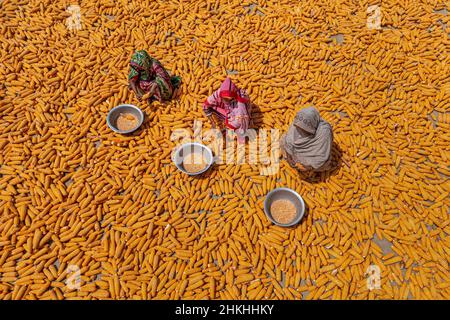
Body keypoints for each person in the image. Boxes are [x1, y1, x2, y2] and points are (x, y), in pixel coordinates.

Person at [280, 106, 333, 172]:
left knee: (323, 165)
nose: (300, 130)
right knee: (283, 139)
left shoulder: (324, 131)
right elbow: (289, 140)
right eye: (298, 127)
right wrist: (289, 157)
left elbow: (321, 157)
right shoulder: (300, 121)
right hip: (300, 154)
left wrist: (308, 167)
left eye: (304, 129)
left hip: (315, 154)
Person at [202, 77, 251, 143]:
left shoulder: (240, 104)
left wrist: (227, 129)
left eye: (228, 99)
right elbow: (206, 103)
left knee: (241, 125)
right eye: (224, 98)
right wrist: (212, 122)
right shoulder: (221, 91)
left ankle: (241, 138)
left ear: (233, 97)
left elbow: (239, 120)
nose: (226, 100)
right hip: (229, 108)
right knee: (212, 105)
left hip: (241, 115)